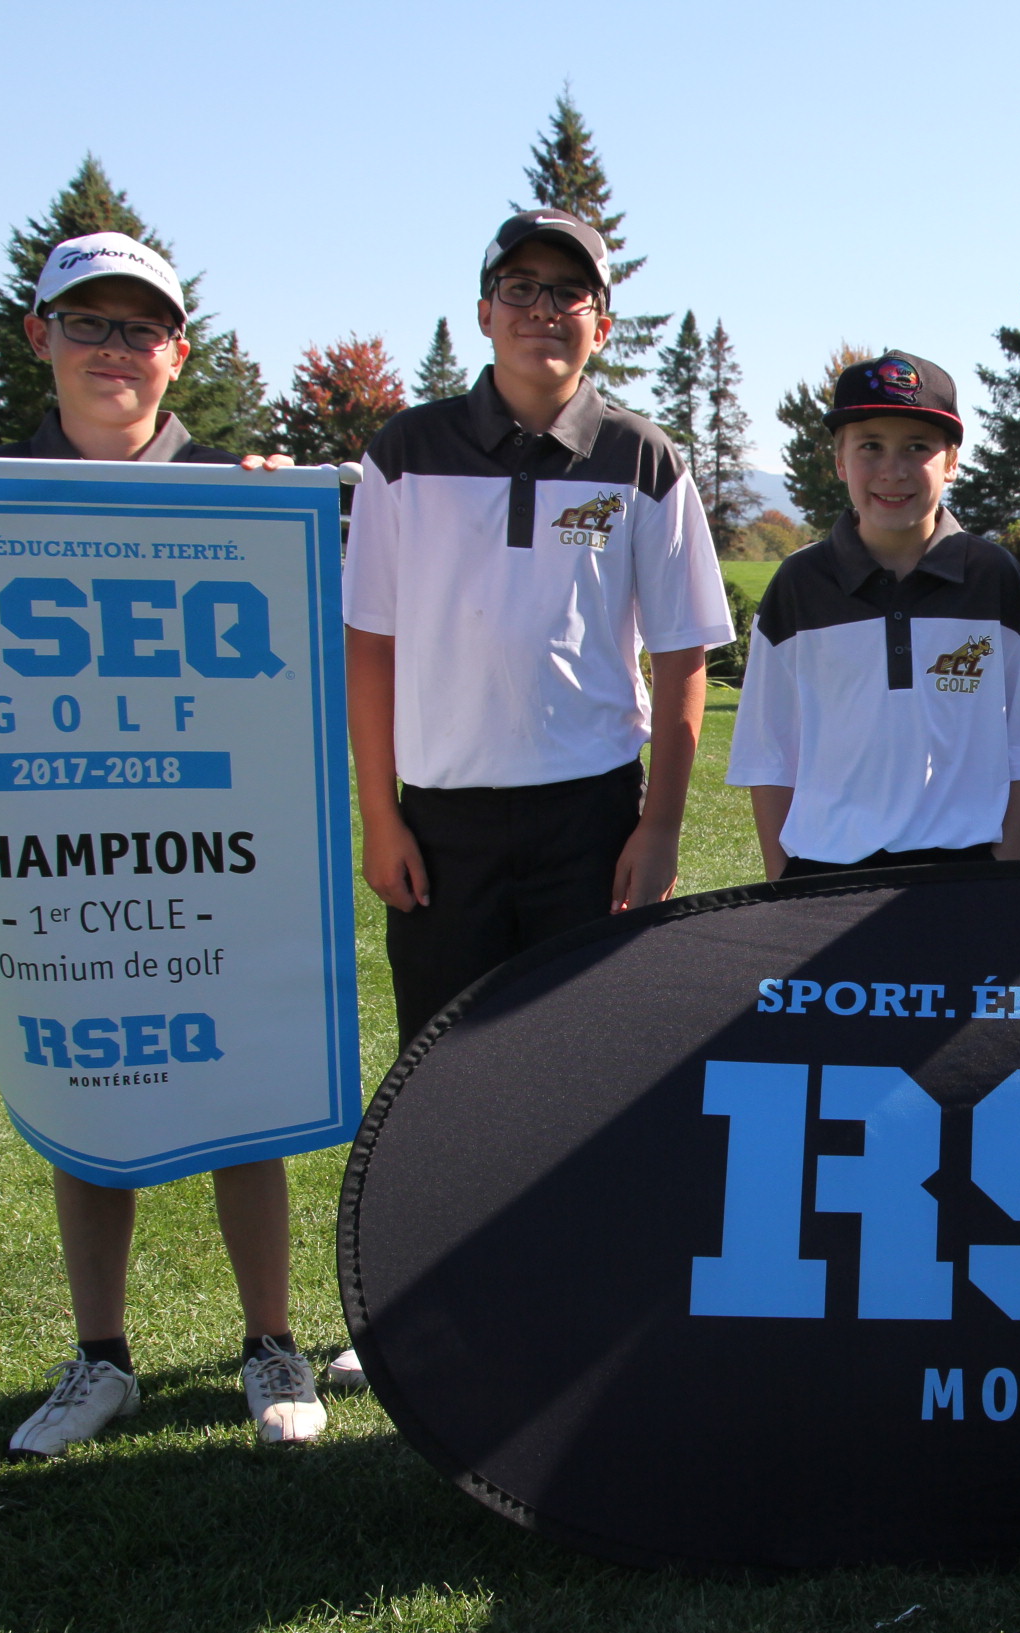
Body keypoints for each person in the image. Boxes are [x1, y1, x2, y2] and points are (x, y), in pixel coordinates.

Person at [0, 232, 320, 1457]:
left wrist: (275, 499)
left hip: (215, 849)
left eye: (139, 329)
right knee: (90, 1083)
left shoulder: (234, 487)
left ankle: (270, 1343)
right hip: (64, 855)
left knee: (248, 1098)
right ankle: (101, 1359)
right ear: (41, 339)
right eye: (89, 323)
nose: (114, 349)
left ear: (178, 353)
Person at [332, 209, 733, 1386]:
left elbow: (683, 657)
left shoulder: (645, 459)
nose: (544, 309)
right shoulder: (406, 452)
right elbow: (369, 645)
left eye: (570, 294)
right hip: (442, 821)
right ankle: (416, 1312)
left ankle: (570, 1304)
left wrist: (658, 827)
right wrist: (381, 813)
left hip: (591, 821)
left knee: (581, 1070)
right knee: (435, 1079)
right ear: (482, 309)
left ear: (601, 322)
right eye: (522, 286)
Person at [727, 351, 1020, 877]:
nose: (893, 470)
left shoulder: (993, 577)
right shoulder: (799, 585)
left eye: (917, 447)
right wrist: (783, 881)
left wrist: (1003, 863)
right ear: (840, 461)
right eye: (871, 446)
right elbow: (768, 753)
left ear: (952, 462)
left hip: (966, 873)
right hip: (825, 871)